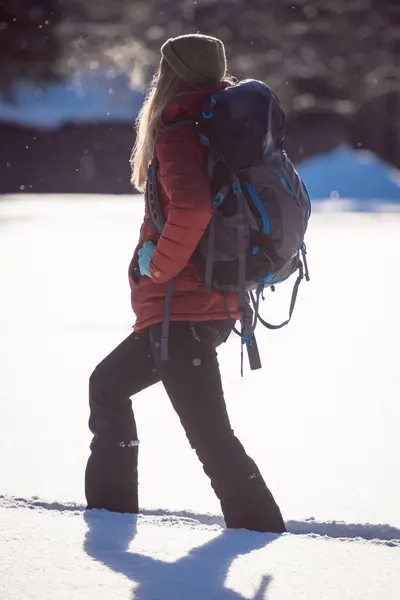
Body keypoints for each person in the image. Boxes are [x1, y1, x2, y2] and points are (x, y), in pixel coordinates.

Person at [84, 33, 286, 534]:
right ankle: (110, 516)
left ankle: (262, 532)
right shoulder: (223, 127)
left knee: (211, 437)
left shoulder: (180, 132)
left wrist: (158, 267)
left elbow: (193, 209)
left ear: (170, 75)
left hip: (183, 309)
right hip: (204, 305)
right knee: (108, 386)